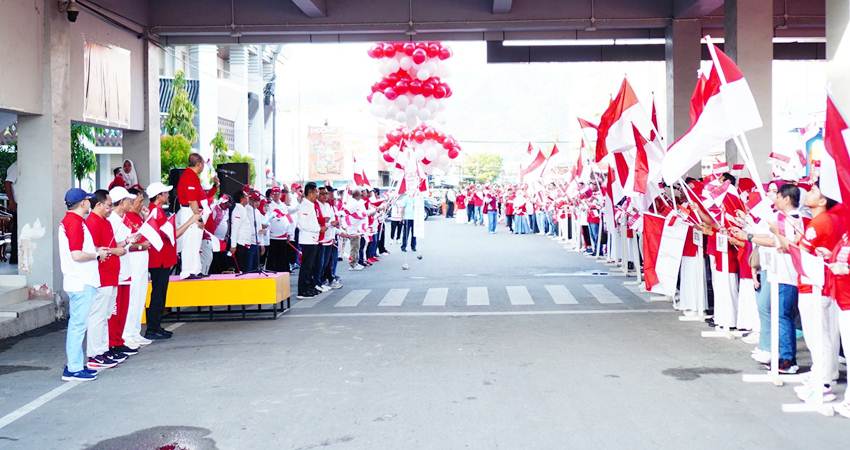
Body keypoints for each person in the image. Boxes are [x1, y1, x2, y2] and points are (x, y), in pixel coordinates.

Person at [58, 188, 105, 381]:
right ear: (82, 203)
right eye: (87, 200)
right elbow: (76, 255)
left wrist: (95, 250)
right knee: (78, 325)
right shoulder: (74, 223)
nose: (89, 202)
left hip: (79, 280)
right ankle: (74, 368)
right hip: (81, 281)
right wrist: (97, 254)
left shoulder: (72, 222)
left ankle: (75, 365)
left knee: (78, 325)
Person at [145, 182, 199, 340]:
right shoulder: (156, 213)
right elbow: (172, 235)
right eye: (165, 193)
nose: (168, 195)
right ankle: (153, 328)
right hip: (159, 259)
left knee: (160, 294)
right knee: (158, 294)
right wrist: (190, 221)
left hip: (161, 259)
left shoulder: (156, 211)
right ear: (159, 196)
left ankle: (156, 326)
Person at [85, 190, 128, 370]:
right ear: (99, 205)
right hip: (101, 277)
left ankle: (103, 349)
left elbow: (110, 245)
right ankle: (94, 354)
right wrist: (113, 251)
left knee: (105, 315)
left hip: (111, 275)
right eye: (109, 205)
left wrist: (123, 244)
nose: (111, 208)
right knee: (98, 316)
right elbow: (93, 249)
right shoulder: (92, 223)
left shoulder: (105, 221)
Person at [105, 187, 140, 357]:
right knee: (115, 310)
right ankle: (112, 343)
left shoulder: (122, 218)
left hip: (125, 269)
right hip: (116, 271)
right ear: (121, 202)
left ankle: (118, 341)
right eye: (128, 200)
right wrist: (128, 241)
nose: (131, 203)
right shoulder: (111, 220)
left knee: (123, 307)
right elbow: (113, 245)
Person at [121, 188, 153, 347]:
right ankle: (127, 334)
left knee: (140, 296)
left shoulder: (138, 217)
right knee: (132, 298)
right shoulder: (125, 218)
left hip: (142, 261)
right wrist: (141, 245)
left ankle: (135, 331)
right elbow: (125, 244)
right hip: (133, 261)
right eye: (139, 201)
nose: (142, 204)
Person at [176, 153, 214, 279]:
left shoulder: (193, 176)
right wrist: (199, 218)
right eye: (203, 163)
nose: (204, 166)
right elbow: (192, 201)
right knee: (189, 242)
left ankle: (195, 269)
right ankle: (187, 271)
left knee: (195, 243)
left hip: (194, 211)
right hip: (190, 212)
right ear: (198, 164)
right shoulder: (189, 176)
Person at [296, 182, 325, 298]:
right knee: (306, 266)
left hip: (312, 239)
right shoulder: (304, 205)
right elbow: (302, 224)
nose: (317, 195)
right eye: (316, 192)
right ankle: (302, 290)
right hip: (307, 239)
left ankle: (309, 286)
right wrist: (319, 228)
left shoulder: (310, 205)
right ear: (310, 192)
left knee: (311, 266)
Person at [266, 187, 294, 272]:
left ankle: (283, 273)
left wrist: (289, 233)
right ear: (271, 195)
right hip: (273, 236)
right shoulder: (269, 205)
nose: (276, 195)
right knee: (273, 256)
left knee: (283, 256)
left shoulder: (283, 206)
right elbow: (267, 219)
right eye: (274, 193)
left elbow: (289, 219)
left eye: (278, 193)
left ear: (280, 194)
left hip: (283, 236)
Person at [5, 160, 18, 264]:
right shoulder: (16, 166)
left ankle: (16, 257)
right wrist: (12, 201)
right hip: (17, 204)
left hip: (21, 204)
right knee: (16, 231)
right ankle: (14, 257)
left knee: (18, 230)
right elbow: (7, 182)